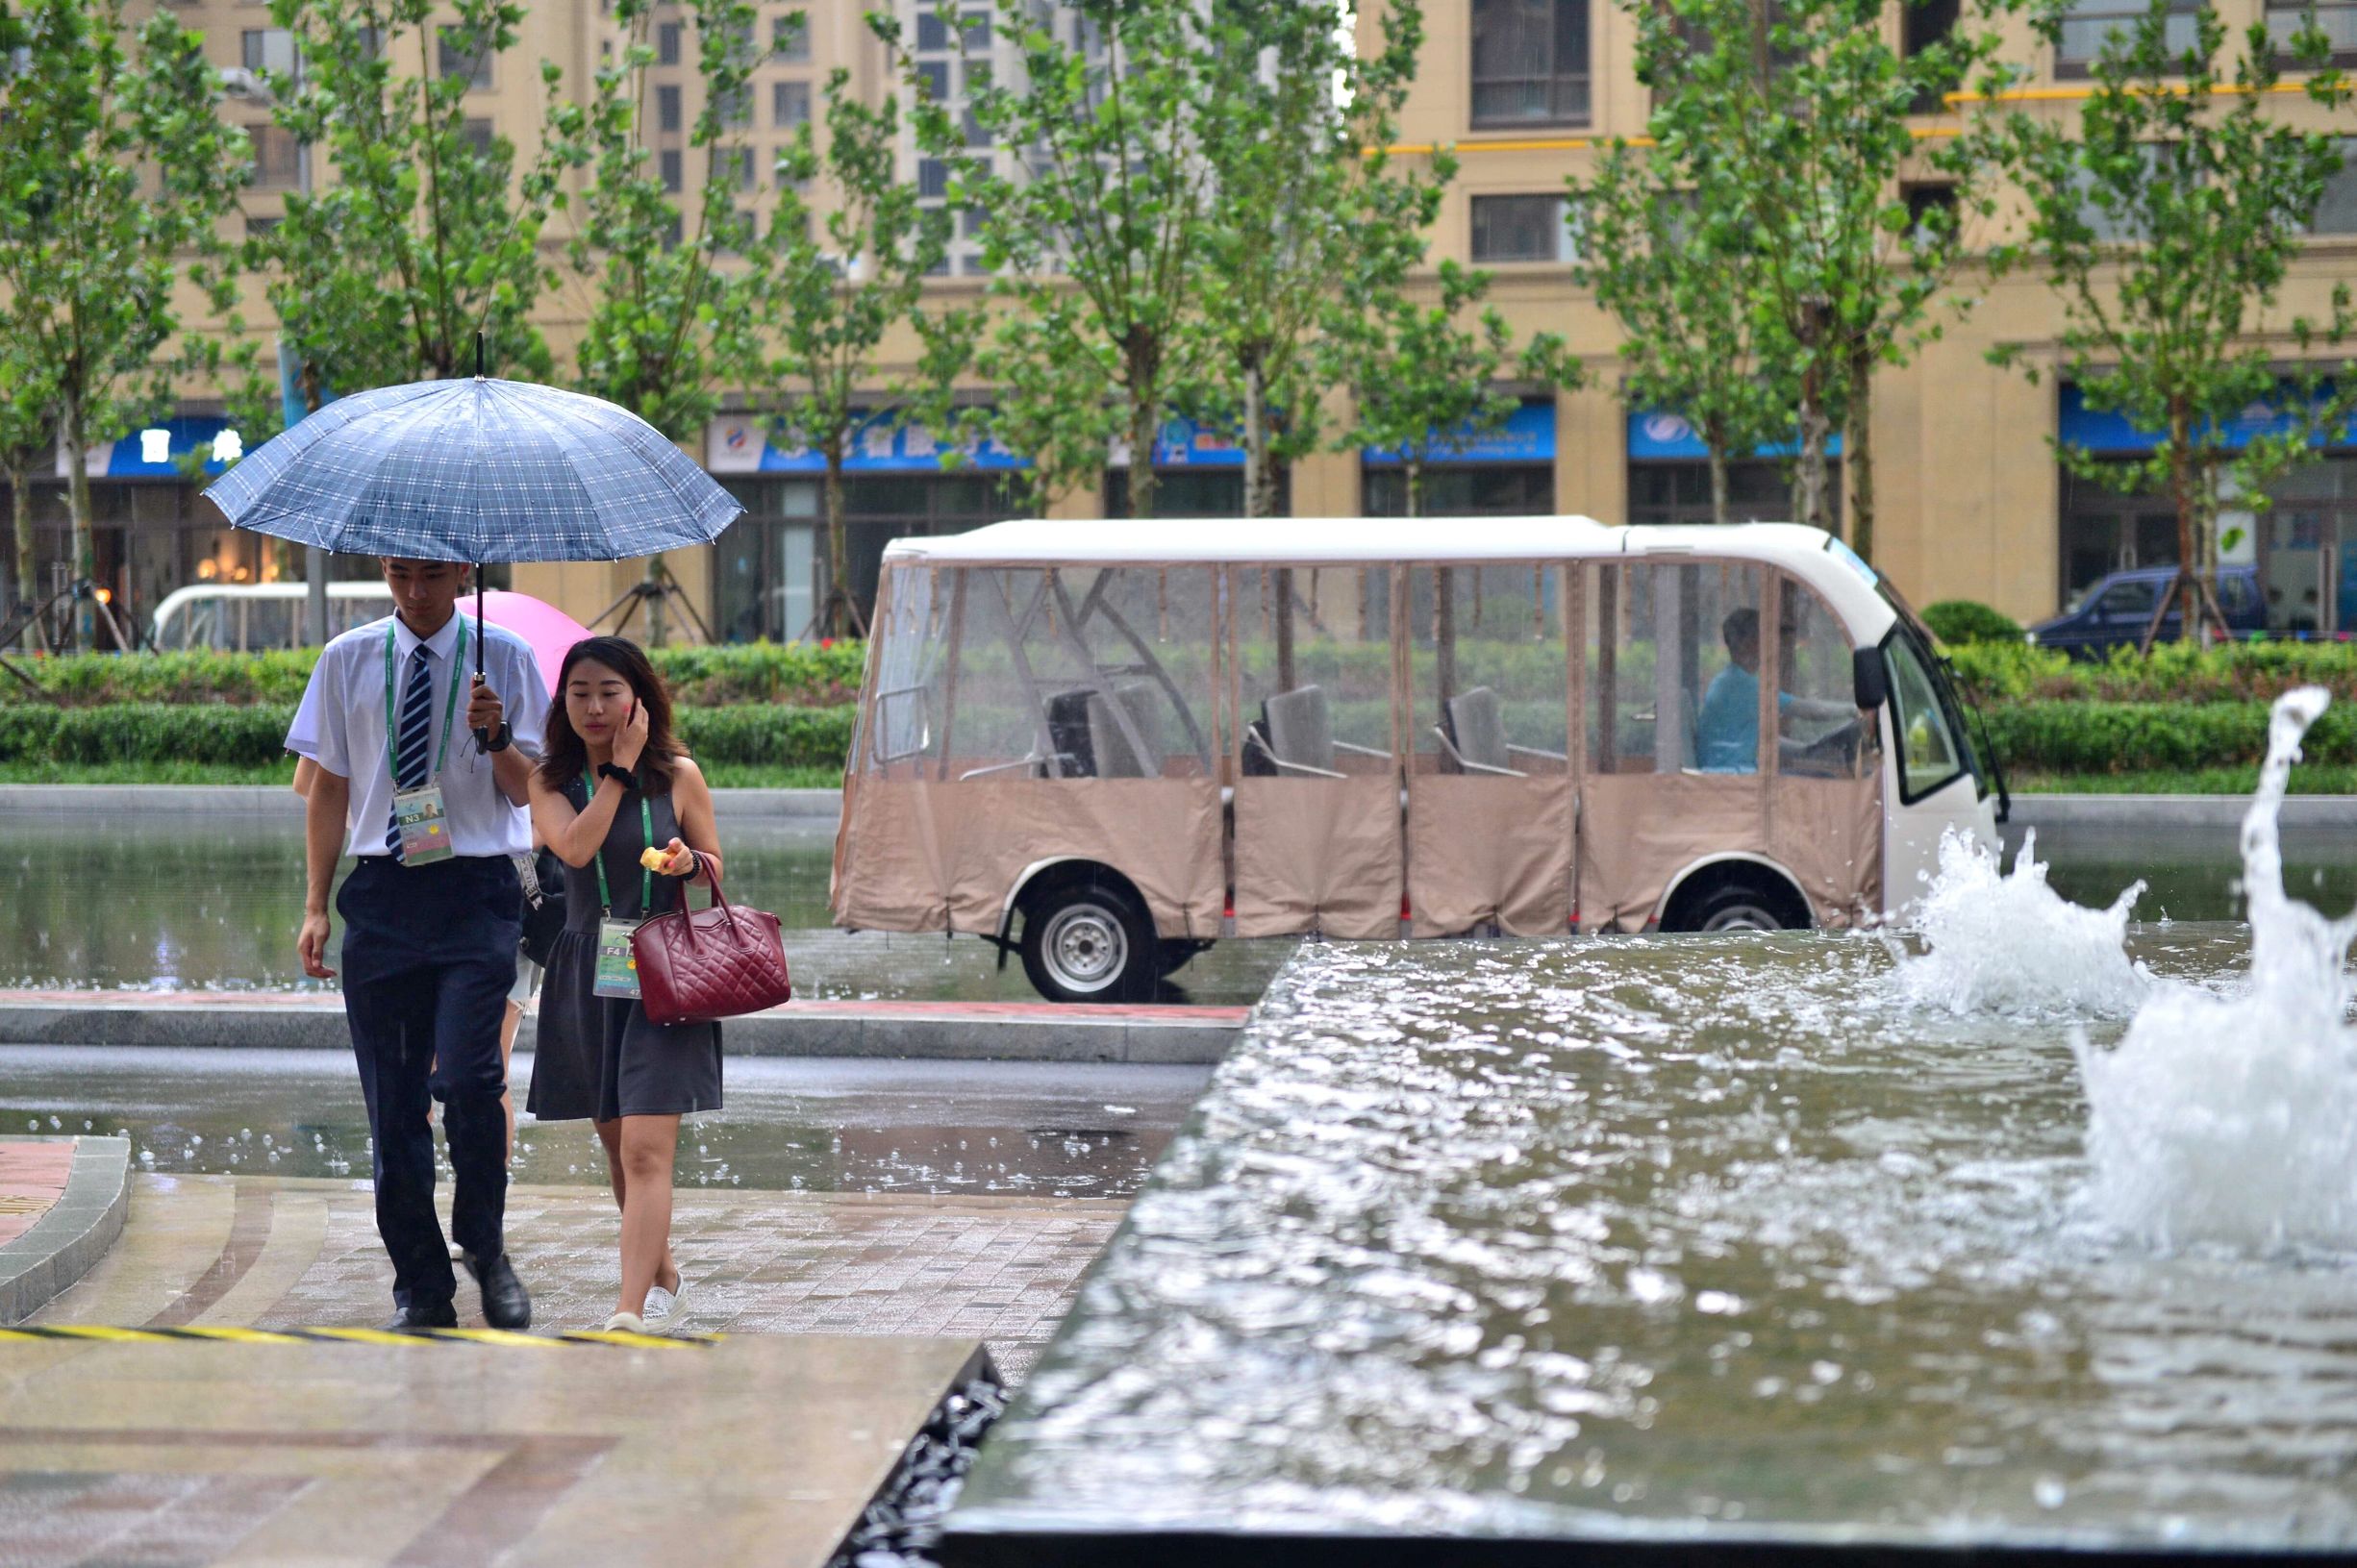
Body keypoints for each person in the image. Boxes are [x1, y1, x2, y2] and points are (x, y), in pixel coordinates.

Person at [288, 558, 545, 1332]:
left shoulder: (507, 657)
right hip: (383, 895)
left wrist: (496, 735)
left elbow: (529, 788)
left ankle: (486, 1247)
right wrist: (314, 904)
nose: (415, 592)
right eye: (400, 575)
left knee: (470, 1079)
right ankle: (421, 1285)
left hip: (476, 893)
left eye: (432, 576)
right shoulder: (347, 659)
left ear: (461, 570)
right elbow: (327, 786)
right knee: (392, 1108)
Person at [526, 636, 724, 1335]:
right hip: (587, 968)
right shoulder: (548, 781)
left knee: (645, 1146)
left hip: (665, 968)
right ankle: (661, 1269)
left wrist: (687, 862)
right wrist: (617, 772)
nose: (594, 705)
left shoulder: (680, 775)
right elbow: (575, 848)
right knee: (615, 1142)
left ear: (639, 698)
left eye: (609, 690)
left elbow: (715, 868)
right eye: (579, 692)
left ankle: (629, 1308)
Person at [1693, 608, 1856, 774]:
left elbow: (1759, 737)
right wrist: (1851, 709)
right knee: (1821, 778)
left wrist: (1805, 750)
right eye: (1766, 638)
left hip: (1732, 774)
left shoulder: (1727, 679)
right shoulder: (1741, 685)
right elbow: (1807, 710)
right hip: (1729, 779)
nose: (1773, 646)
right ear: (1750, 643)